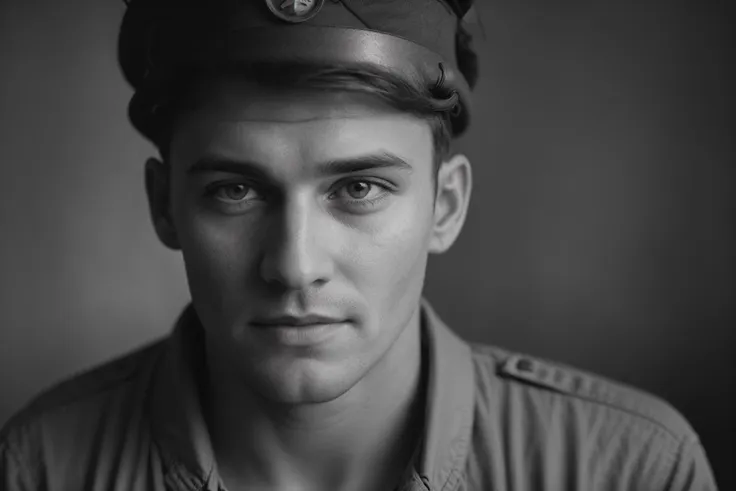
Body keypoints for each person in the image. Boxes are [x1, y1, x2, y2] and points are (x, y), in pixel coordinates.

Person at [0, 0, 719, 490]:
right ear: (165, 205)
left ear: (445, 205)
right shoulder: (43, 467)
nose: (295, 265)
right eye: (235, 190)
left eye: (359, 188)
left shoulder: (631, 470)